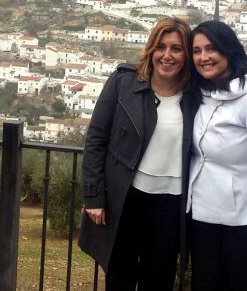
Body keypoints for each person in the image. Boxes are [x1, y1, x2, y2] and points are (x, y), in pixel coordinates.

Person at [79, 17, 197, 291]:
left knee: (159, 281)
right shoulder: (124, 82)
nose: (167, 55)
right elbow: (96, 139)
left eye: (177, 49)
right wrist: (94, 197)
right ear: (151, 50)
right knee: (119, 277)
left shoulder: (196, 95)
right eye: (161, 47)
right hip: (127, 200)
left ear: (186, 54)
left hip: (172, 206)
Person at [187, 20, 247, 291]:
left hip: (241, 222)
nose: (204, 57)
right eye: (196, 51)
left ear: (229, 51)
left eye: (211, 49)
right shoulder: (203, 94)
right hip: (201, 217)